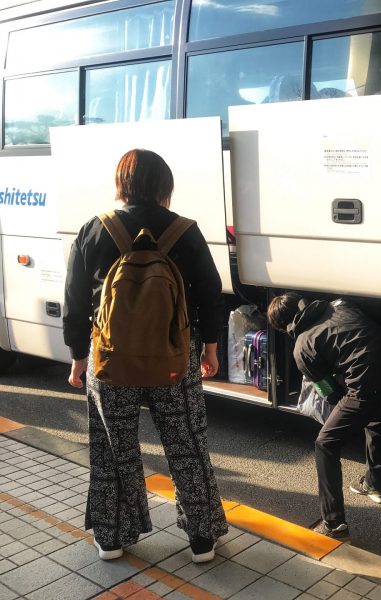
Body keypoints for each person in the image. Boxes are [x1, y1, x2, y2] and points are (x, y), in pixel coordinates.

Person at [63, 149, 228, 562]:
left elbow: (74, 298)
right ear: (164, 186)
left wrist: (77, 357)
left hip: (110, 361)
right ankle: (202, 539)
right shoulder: (185, 231)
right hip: (175, 359)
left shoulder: (94, 229)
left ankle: (113, 538)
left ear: (122, 184)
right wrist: (209, 348)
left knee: (112, 447)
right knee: (187, 443)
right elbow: (210, 293)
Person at [267, 293, 381, 540]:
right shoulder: (340, 306)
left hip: (368, 385)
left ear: (284, 327)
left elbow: (329, 390)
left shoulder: (302, 346)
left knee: (325, 443)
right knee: (375, 415)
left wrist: (343, 406)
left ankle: (334, 524)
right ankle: (376, 484)